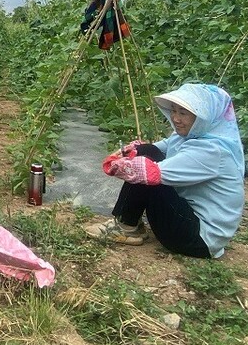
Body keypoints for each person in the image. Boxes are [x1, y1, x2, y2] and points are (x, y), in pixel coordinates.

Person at [85, 83, 245, 258]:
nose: (175, 118)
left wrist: (122, 166)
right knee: (147, 152)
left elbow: (152, 172)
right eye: (174, 111)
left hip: (198, 239)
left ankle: (125, 226)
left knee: (147, 168)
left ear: (204, 117)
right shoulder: (189, 137)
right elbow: (154, 149)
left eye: (183, 113)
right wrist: (129, 151)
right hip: (190, 218)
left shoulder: (213, 150)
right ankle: (130, 224)